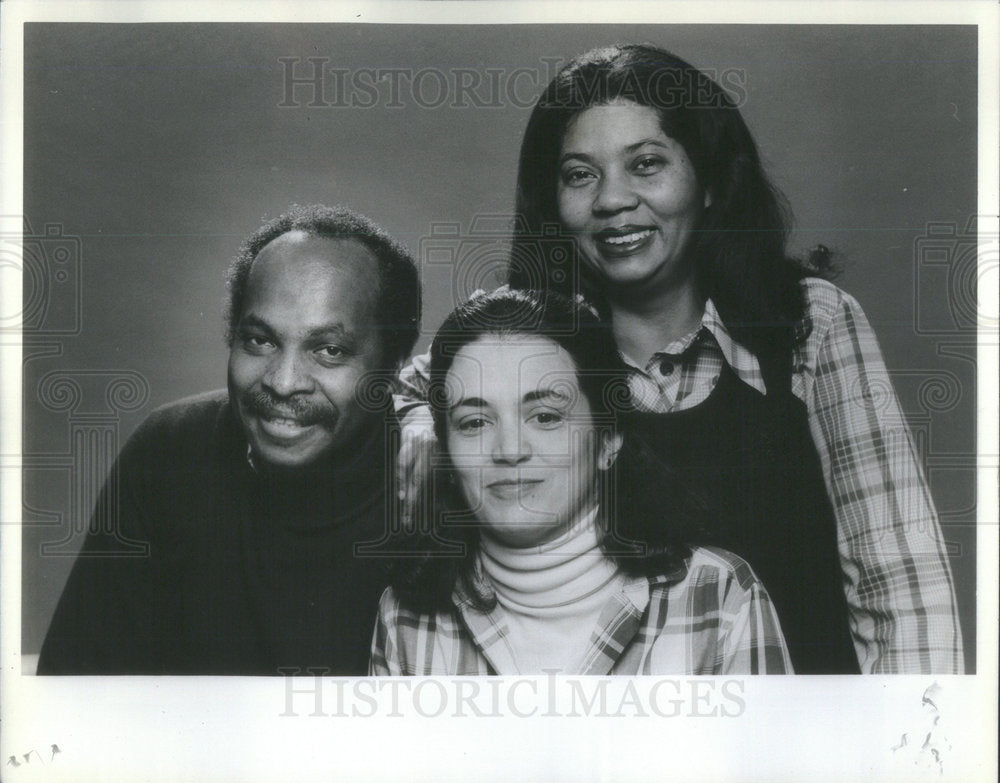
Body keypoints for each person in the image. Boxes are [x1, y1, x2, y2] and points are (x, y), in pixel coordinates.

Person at [397, 44, 963, 674]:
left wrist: (906, 756)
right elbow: (408, 385)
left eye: (646, 164)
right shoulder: (545, 350)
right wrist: (418, 418)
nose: (612, 200)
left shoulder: (810, 325)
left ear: (714, 182)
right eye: (580, 174)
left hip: (805, 744)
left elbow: (902, 585)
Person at [38, 204, 421, 675]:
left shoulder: (431, 476)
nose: (282, 383)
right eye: (260, 340)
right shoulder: (169, 452)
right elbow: (76, 689)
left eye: (329, 351)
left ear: (396, 363)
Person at [372, 287, 792, 676]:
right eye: (475, 422)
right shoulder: (406, 616)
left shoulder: (719, 596)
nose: (509, 449)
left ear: (609, 441)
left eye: (546, 416)